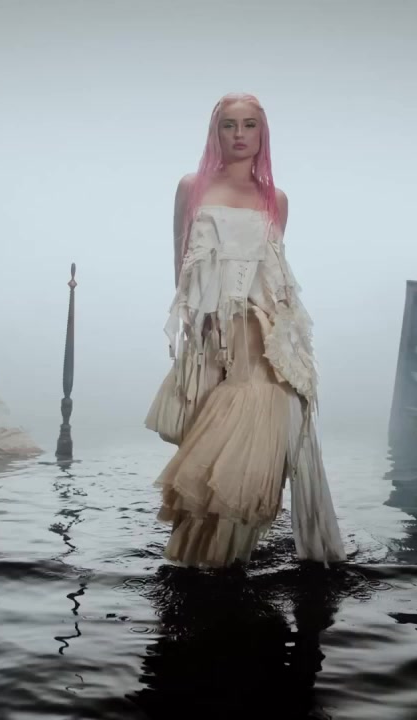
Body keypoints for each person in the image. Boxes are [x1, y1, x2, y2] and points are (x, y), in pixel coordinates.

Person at [145, 93, 345, 569]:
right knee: (210, 436)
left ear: (262, 133)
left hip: (262, 332)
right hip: (210, 334)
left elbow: (274, 270)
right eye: (229, 125)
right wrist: (195, 330)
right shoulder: (191, 187)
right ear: (215, 132)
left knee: (254, 423)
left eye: (249, 125)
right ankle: (198, 561)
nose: (239, 135)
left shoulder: (276, 198)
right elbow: (180, 261)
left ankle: (225, 559)